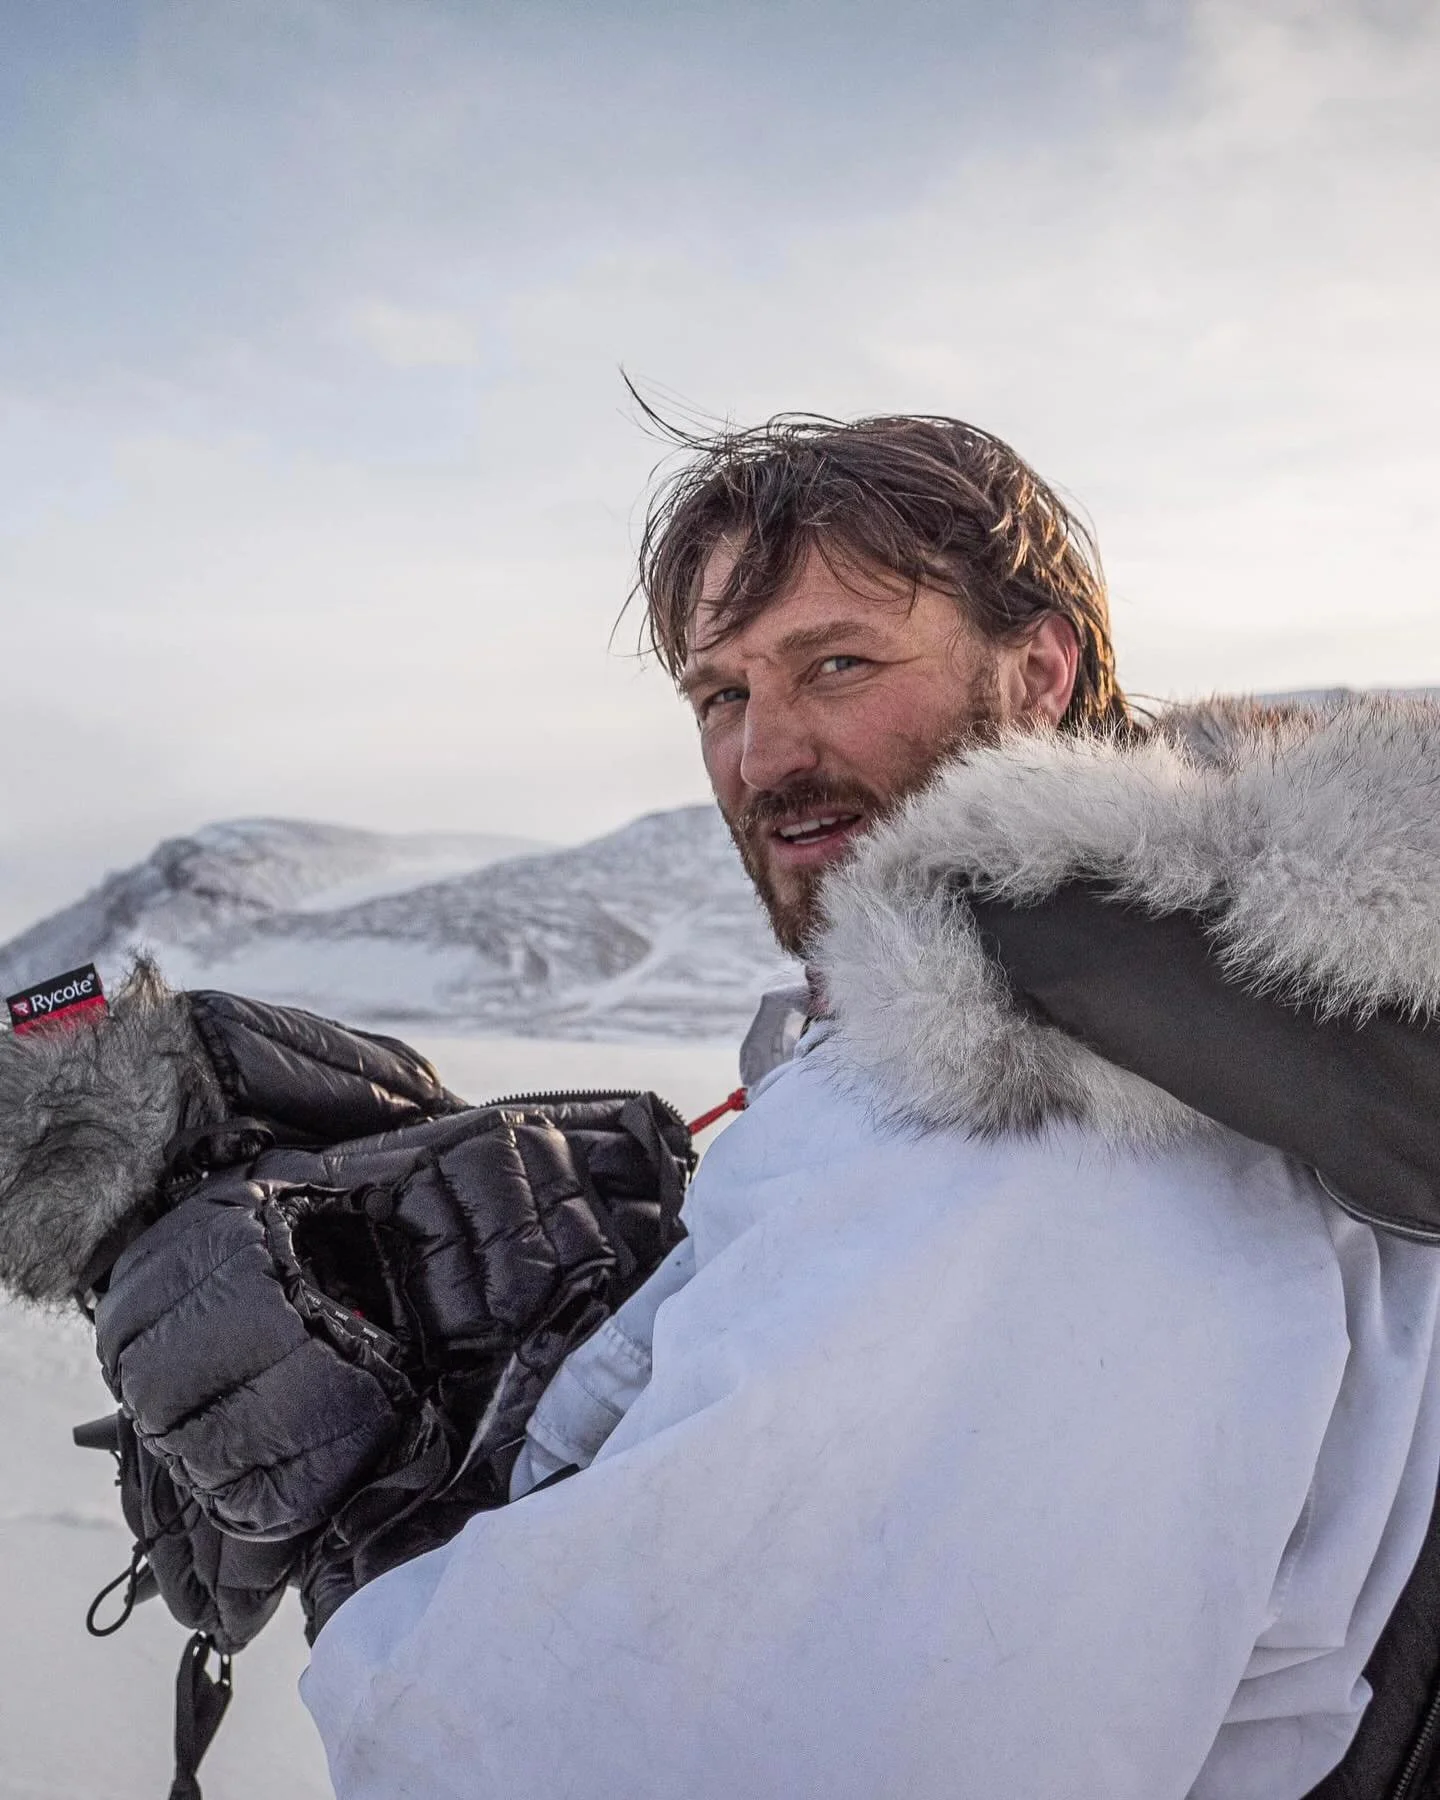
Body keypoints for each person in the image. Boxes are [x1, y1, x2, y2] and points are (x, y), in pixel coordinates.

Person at [300, 415, 1440, 1799]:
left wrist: (355, 1520)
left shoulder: (1052, 1134)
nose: (764, 755)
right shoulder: (1198, 1025)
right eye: (719, 695)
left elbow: (647, 1749)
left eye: (834, 664)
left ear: (1037, 672)